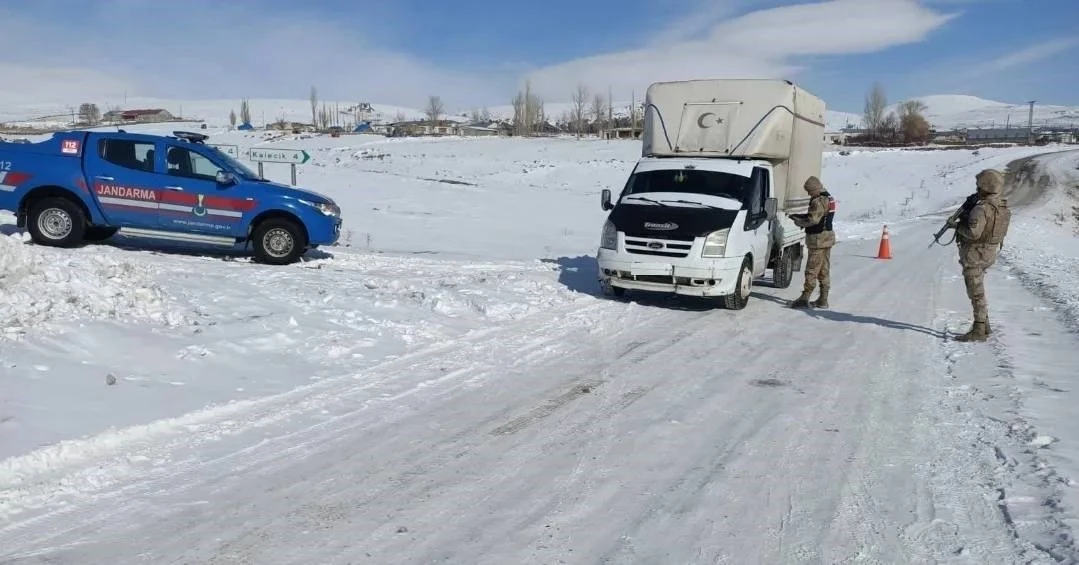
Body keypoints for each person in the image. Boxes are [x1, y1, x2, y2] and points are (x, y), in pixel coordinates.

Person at [953, 168, 1011, 342]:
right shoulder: (1001, 206)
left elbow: (973, 233)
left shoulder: (981, 209)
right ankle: (984, 325)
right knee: (978, 288)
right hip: (989, 252)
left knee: (976, 292)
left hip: (975, 254)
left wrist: (958, 226)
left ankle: (979, 329)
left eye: (979, 186)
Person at [788, 176, 836, 308]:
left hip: (818, 240)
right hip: (826, 239)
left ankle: (805, 298)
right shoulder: (828, 197)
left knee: (812, 269)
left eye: (809, 191)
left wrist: (799, 222)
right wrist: (800, 216)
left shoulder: (818, 200)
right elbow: (819, 217)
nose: (809, 194)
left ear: (814, 189)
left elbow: (814, 220)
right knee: (823, 270)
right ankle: (823, 299)